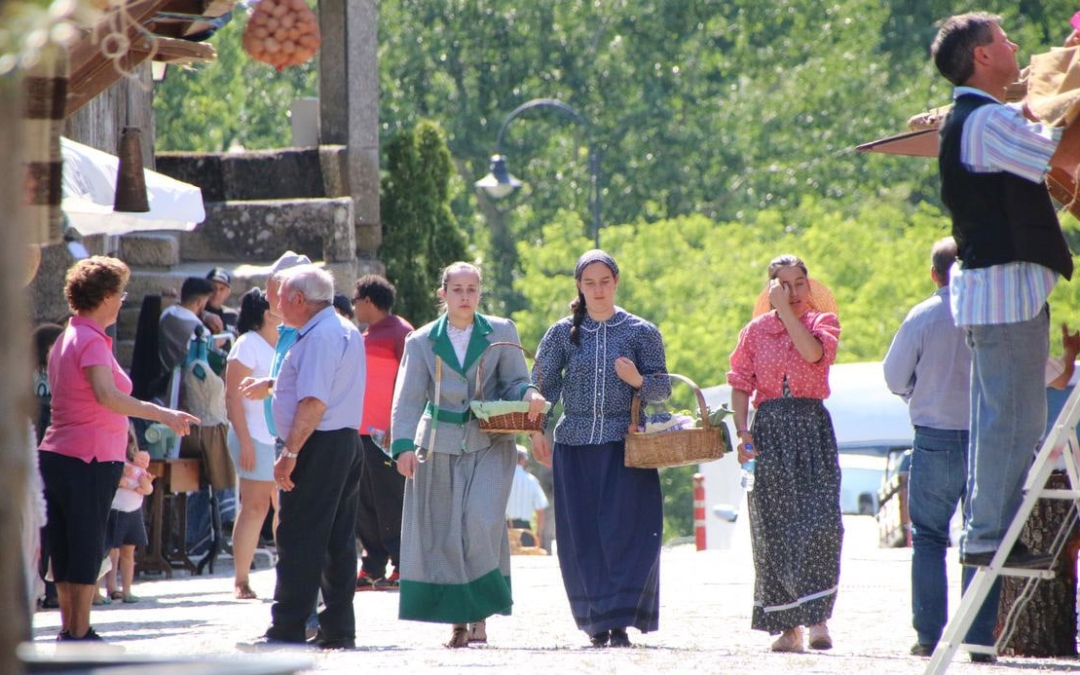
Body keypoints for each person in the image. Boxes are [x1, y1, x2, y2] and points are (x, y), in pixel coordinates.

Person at [931, 12, 1080, 569]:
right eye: (1002, 39)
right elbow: (1060, 150)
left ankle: (987, 531)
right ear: (982, 56)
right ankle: (987, 534)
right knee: (1010, 420)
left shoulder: (983, 117)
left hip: (1001, 291)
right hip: (1002, 293)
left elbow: (1043, 125)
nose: (1015, 45)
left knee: (1011, 417)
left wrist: (1069, 75)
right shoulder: (986, 122)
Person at [38, 256, 197, 642]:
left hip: (60, 453)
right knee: (88, 544)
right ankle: (79, 632)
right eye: (121, 294)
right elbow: (107, 396)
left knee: (64, 546)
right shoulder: (90, 340)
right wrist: (161, 413)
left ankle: (70, 630)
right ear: (107, 296)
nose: (123, 300)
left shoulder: (65, 337)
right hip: (87, 457)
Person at [390, 262, 546, 648]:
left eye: (472, 289)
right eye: (457, 289)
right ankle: (460, 621)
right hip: (437, 446)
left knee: (480, 522)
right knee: (446, 534)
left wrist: (530, 395)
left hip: (491, 442)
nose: (465, 296)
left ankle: (480, 611)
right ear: (442, 294)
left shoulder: (501, 331)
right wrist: (403, 447)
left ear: (480, 292)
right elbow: (408, 398)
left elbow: (515, 381)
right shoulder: (421, 341)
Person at [530, 249, 671, 649]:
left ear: (616, 282)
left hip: (625, 448)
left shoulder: (641, 331)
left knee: (628, 534)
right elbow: (541, 385)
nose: (597, 290)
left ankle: (622, 620)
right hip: (573, 445)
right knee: (583, 535)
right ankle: (596, 620)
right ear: (579, 285)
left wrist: (638, 379)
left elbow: (663, 389)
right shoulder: (562, 333)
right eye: (589, 283)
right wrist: (536, 428)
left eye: (604, 282)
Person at [882, 237, 999, 662]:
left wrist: (916, 389)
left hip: (932, 437)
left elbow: (895, 378)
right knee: (982, 537)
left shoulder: (923, 315)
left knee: (929, 539)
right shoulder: (992, 314)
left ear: (934, 274)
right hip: (987, 438)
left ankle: (929, 636)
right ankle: (980, 637)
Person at [241, 264, 366, 651]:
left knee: (298, 537)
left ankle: (288, 628)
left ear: (299, 299)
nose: (274, 303)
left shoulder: (318, 336)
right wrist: (277, 384)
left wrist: (290, 452)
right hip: (343, 441)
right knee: (337, 540)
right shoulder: (340, 328)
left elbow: (313, 401)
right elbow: (320, 384)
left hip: (317, 443)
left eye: (279, 296)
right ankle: (337, 627)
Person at [727, 254, 843, 653]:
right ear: (772, 287)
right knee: (774, 528)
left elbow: (812, 354)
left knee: (821, 522)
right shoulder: (754, 332)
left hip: (811, 427)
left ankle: (818, 619)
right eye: (783, 285)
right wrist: (743, 432)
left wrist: (786, 312)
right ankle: (788, 625)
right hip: (770, 429)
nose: (793, 292)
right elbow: (741, 383)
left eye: (799, 283)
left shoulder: (822, 323)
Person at [351, 275, 413, 591]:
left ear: (369, 302)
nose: (353, 305)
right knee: (364, 503)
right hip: (360, 433)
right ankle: (372, 566)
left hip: (387, 435)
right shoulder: (366, 334)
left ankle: (403, 564)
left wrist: (400, 427)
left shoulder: (402, 334)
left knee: (391, 499)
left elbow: (413, 385)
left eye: (356, 299)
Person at [225, 288, 280, 600]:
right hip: (254, 435)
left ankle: (285, 576)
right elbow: (232, 396)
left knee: (281, 507)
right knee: (255, 507)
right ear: (263, 310)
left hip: (279, 437)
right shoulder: (246, 345)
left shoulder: (282, 342)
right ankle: (241, 580)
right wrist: (245, 441)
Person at [103, 442, 153, 604]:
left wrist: (146, 485)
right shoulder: (116, 461)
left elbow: (147, 487)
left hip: (133, 510)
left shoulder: (140, 469)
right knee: (111, 551)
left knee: (128, 552)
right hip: (117, 509)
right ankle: (109, 588)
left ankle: (127, 590)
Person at [158, 276, 216, 389]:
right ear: (200, 302)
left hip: (164, 379)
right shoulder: (201, 331)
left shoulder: (166, 313)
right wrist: (216, 343)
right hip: (187, 387)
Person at [505, 445, 549, 548]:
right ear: (523, 460)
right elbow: (540, 510)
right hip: (525, 532)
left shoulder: (501, 479)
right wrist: (538, 533)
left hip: (505, 530)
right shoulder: (532, 481)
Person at [202, 266, 239, 334]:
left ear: (228, 293)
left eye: (221, 289)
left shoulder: (232, 316)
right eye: (213, 287)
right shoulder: (197, 313)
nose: (217, 293)